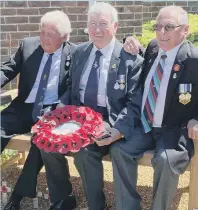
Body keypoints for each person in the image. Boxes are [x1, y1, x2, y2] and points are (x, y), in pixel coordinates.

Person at [40, 2, 143, 210]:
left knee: (85, 152)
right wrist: (57, 115)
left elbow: (134, 104)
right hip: (78, 118)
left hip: (109, 121)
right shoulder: (80, 52)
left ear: (115, 27)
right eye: (92, 24)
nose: (96, 29)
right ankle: (63, 199)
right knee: (46, 141)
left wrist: (117, 130)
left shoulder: (129, 59)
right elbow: (69, 88)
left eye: (103, 24)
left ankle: (97, 205)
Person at [110, 6, 198, 210]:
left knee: (166, 160)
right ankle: (128, 206)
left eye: (168, 27)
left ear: (185, 30)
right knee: (119, 150)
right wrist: (132, 44)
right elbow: (144, 63)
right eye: (158, 27)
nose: (161, 33)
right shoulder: (153, 48)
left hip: (174, 131)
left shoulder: (193, 60)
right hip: (145, 126)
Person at [1, 11, 77, 210]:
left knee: (41, 142)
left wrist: (57, 114)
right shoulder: (28, 45)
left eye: (50, 34)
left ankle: (16, 197)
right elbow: (7, 69)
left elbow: (72, 91)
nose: (44, 38)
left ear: (64, 36)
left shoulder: (76, 54)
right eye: (42, 32)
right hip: (24, 106)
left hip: (52, 111)